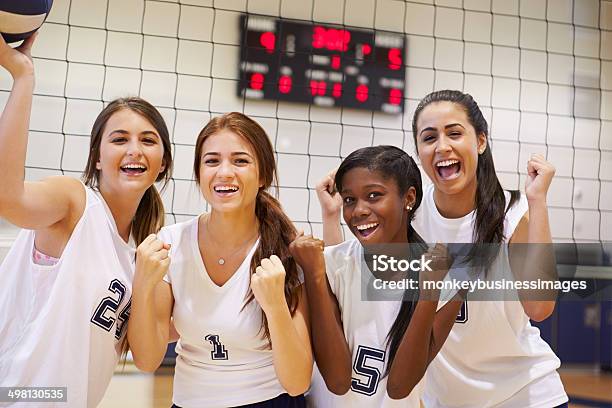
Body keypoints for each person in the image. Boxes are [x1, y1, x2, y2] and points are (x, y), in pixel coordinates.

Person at [320, 90, 568, 408]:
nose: (442, 147)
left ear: (480, 141)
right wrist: (330, 216)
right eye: (429, 137)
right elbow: (348, 272)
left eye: (454, 133)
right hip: (444, 401)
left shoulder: (512, 214)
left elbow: (540, 308)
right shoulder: (410, 215)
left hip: (526, 395)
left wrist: (538, 201)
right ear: (419, 152)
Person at [0, 34, 173, 407]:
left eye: (148, 140)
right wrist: (23, 77)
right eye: (119, 139)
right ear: (96, 157)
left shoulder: (146, 251)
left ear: (163, 163)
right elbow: (7, 198)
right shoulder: (74, 202)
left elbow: (147, 358)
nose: (133, 150)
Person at [128, 112, 312, 407]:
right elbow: (147, 360)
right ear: (199, 173)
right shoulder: (171, 243)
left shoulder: (286, 249)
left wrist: (276, 305)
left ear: (263, 174)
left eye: (240, 161)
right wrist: (142, 284)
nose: (224, 172)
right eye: (212, 161)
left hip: (269, 400)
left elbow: (298, 382)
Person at [292, 146, 462, 407]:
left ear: (409, 198)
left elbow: (399, 387)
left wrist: (429, 294)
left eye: (374, 195)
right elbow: (337, 381)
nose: (358, 210)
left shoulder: (447, 283)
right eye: (349, 200)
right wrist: (315, 277)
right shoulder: (328, 266)